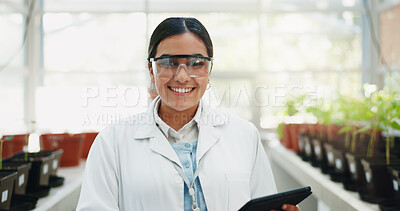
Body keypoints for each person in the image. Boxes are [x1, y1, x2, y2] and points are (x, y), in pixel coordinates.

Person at [76, 17, 300, 211]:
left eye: (196, 63)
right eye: (169, 63)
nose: (182, 76)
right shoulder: (112, 142)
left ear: (209, 70)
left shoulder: (244, 135)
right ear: (151, 70)